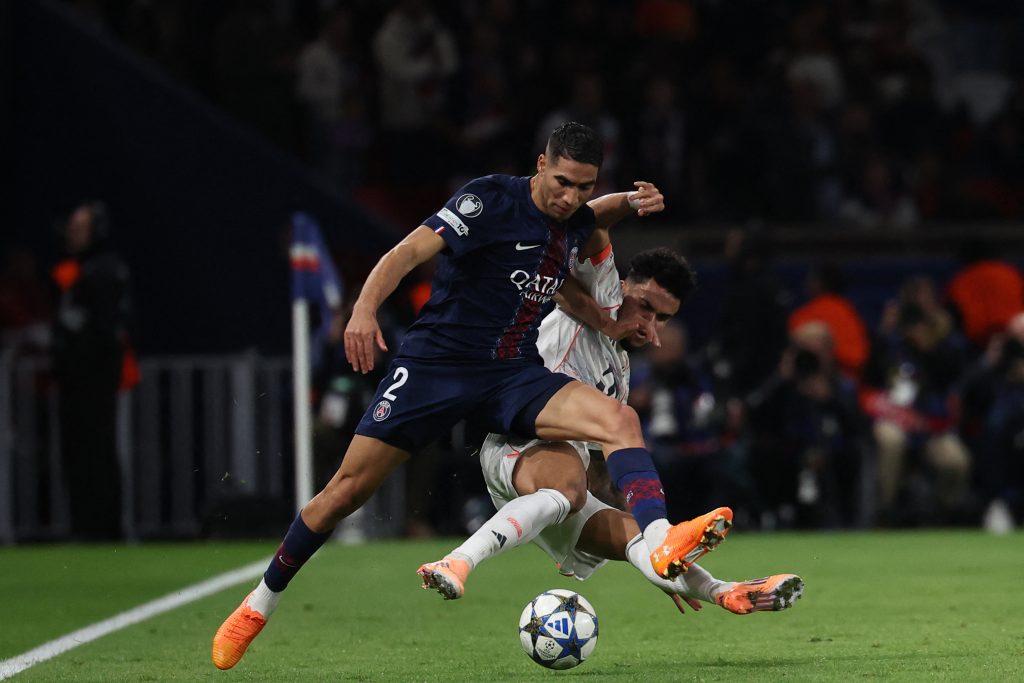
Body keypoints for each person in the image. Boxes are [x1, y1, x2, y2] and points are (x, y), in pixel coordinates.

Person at [212, 122, 731, 669]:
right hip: (436, 367)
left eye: (583, 187)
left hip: (510, 373)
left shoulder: (571, 223)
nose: (570, 197)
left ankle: (661, 538)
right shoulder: (489, 199)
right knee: (344, 491)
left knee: (620, 419)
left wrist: (613, 256)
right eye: (562, 182)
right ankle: (257, 605)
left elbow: (581, 253)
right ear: (539, 164)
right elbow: (409, 250)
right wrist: (364, 309)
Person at [416, 246, 802, 614]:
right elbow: (590, 227)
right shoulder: (590, 306)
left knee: (633, 535)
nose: (648, 324)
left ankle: (726, 591)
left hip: (562, 479)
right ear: (619, 288)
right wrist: (629, 201)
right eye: (645, 306)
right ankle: (457, 560)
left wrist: (662, 572)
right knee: (573, 486)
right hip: (517, 442)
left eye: (662, 318)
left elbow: (601, 472)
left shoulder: (620, 370)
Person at [50, 200, 132, 540]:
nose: (72, 234)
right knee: (77, 455)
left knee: (98, 454)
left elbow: (106, 328)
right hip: (73, 383)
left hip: (97, 381)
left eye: (80, 228)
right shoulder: (75, 269)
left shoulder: (104, 268)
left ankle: (103, 528)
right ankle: (84, 526)